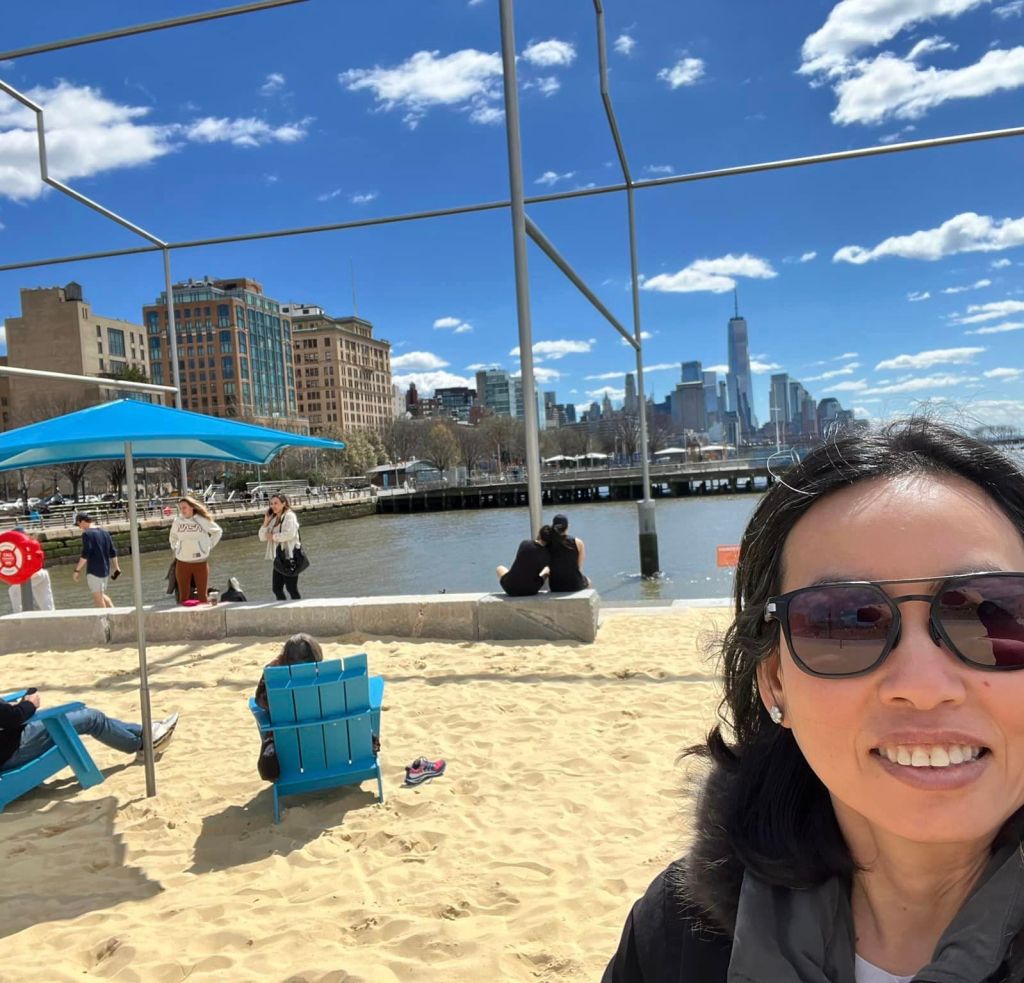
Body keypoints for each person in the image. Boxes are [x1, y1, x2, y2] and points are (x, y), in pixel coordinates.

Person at [604, 418, 1024, 982]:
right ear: (775, 681)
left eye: (990, 613)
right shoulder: (677, 936)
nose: (923, 686)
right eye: (841, 621)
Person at [1, 690, 178, 772]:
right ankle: (143, 744)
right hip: (13, 748)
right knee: (91, 718)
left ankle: (144, 732)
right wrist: (29, 704)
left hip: (12, 740)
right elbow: (13, 718)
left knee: (80, 714)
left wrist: (12, 706)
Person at [253, 633, 323, 780]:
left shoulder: (273, 674)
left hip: (287, 747)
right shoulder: (325, 675)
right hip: (324, 741)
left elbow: (260, 701)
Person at [169, 496, 223, 606]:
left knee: (203, 596)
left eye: (184, 507)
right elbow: (173, 537)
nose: (182, 510)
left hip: (200, 562)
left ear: (192, 507)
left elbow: (217, 532)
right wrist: (176, 548)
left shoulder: (202, 520)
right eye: (180, 508)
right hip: (182, 562)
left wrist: (208, 546)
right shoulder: (177, 521)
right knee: (183, 596)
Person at [258, 494, 303, 601]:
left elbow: (290, 534)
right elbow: (262, 537)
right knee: (276, 589)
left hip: (289, 557)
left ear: (284, 504)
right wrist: (266, 522)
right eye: (271, 503)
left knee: (291, 588)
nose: (273, 506)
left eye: (276, 503)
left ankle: (296, 609)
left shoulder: (289, 516)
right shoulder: (273, 518)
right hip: (278, 558)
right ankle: (282, 608)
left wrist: (273, 537)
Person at [72, 512, 121, 609]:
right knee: (101, 594)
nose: (79, 527)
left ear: (82, 521)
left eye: (78, 524)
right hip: (105, 570)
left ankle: (105, 623)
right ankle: (113, 611)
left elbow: (86, 553)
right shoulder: (105, 532)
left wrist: (77, 571)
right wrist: (116, 567)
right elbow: (112, 551)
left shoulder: (86, 534)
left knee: (98, 599)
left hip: (94, 571)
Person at [7, 528, 55, 614]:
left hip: (33, 574)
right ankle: (51, 617)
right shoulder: (31, 543)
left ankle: (18, 616)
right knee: (45, 600)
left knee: (13, 591)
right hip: (41, 573)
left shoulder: (21, 546)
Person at [542, 513, 590, 592]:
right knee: (588, 581)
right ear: (567, 526)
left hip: (555, 586)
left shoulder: (547, 543)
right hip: (575, 584)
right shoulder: (578, 542)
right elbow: (579, 567)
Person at [496, 532, 551, 596]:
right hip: (530, 590)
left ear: (539, 535)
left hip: (510, 588)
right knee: (546, 570)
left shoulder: (525, 543)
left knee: (499, 568)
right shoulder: (547, 555)